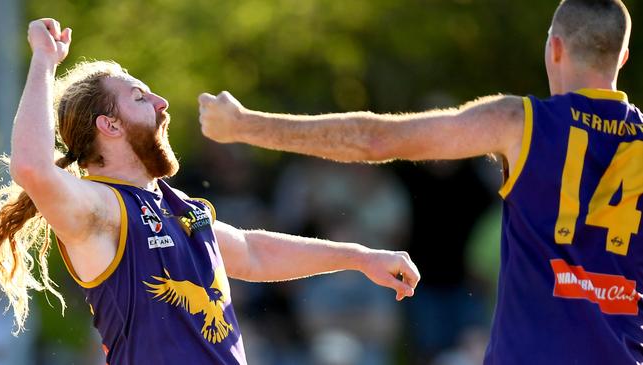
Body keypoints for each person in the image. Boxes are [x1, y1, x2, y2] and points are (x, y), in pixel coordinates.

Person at [199, 0, 642, 363]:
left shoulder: (520, 122)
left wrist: (244, 125)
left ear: (555, 48)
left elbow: (374, 140)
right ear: (622, 57)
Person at [0, 18, 421, 365]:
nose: (162, 102)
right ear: (110, 126)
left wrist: (360, 257)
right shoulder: (101, 207)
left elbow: (253, 253)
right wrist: (45, 62)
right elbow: (32, 166)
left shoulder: (182, 208)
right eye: (140, 96)